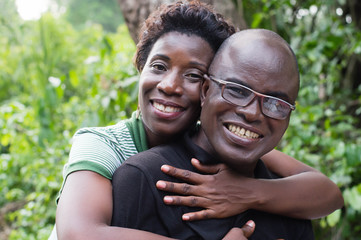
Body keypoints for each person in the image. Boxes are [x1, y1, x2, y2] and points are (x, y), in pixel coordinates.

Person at [53, 1, 343, 239]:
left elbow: (327, 192)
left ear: (206, 88)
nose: (169, 85)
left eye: (192, 74)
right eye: (158, 66)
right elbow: (78, 233)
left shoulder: (236, 141)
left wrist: (247, 192)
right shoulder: (109, 148)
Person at [111, 29, 315, 240]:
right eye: (237, 90)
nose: (252, 113)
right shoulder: (143, 178)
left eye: (275, 103)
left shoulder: (289, 202)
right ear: (206, 91)